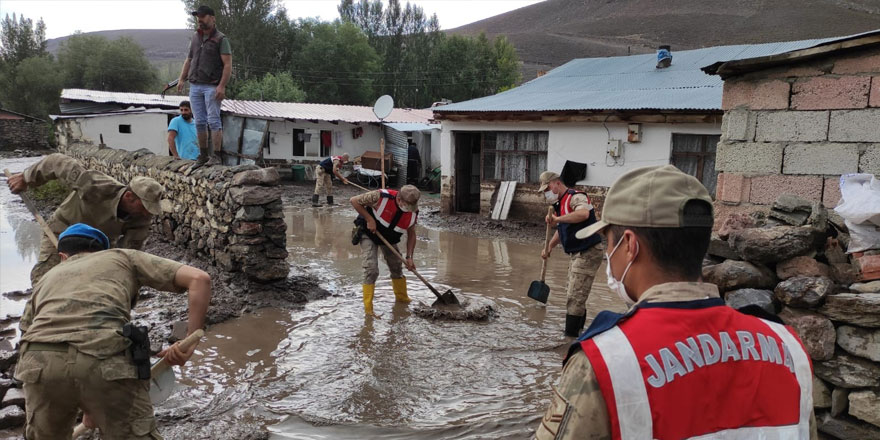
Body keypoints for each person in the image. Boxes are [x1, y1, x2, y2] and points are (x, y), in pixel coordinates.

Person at [535, 165, 816, 439]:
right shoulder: (789, 345)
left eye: (609, 242)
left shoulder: (604, 361)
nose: (608, 253)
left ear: (630, 246)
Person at [14, 223, 211, 439]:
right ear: (103, 252)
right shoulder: (121, 257)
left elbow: (29, 333)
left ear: (62, 256)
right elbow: (199, 279)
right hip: (105, 360)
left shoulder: (46, 279)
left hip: (39, 363)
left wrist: (88, 402)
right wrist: (190, 342)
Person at [6, 154, 164, 284]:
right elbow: (56, 162)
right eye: (144, 207)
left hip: (98, 245)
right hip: (62, 231)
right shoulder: (94, 185)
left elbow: (128, 254)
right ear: (129, 197)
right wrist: (26, 178)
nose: (146, 213)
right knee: (45, 279)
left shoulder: (141, 220)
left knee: (93, 285)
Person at [538, 171, 604, 337]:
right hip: (577, 253)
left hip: (588, 251)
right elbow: (562, 231)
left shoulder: (575, 197)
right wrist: (549, 247)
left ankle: (569, 340)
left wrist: (557, 219)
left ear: (556, 183)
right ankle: (579, 334)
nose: (547, 192)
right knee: (575, 292)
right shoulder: (560, 204)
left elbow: (583, 214)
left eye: (548, 188)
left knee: (575, 296)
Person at [176, 4, 232, 169]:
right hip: (195, 85)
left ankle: (217, 156)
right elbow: (189, 59)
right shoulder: (195, 37)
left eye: (203, 16)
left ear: (212, 18)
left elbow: (228, 65)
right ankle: (203, 155)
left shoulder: (221, 39)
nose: (199, 20)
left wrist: (222, 86)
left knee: (213, 120)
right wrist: (181, 78)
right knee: (199, 121)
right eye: (198, 17)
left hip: (212, 86)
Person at [350, 185, 420, 316]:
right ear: (399, 199)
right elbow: (354, 200)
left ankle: (402, 298)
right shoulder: (380, 196)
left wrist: (409, 257)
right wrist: (370, 219)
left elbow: (412, 234)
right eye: (406, 205)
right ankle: (368, 309)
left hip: (389, 237)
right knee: (371, 269)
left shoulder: (413, 212)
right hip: (369, 232)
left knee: (396, 266)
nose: (408, 210)